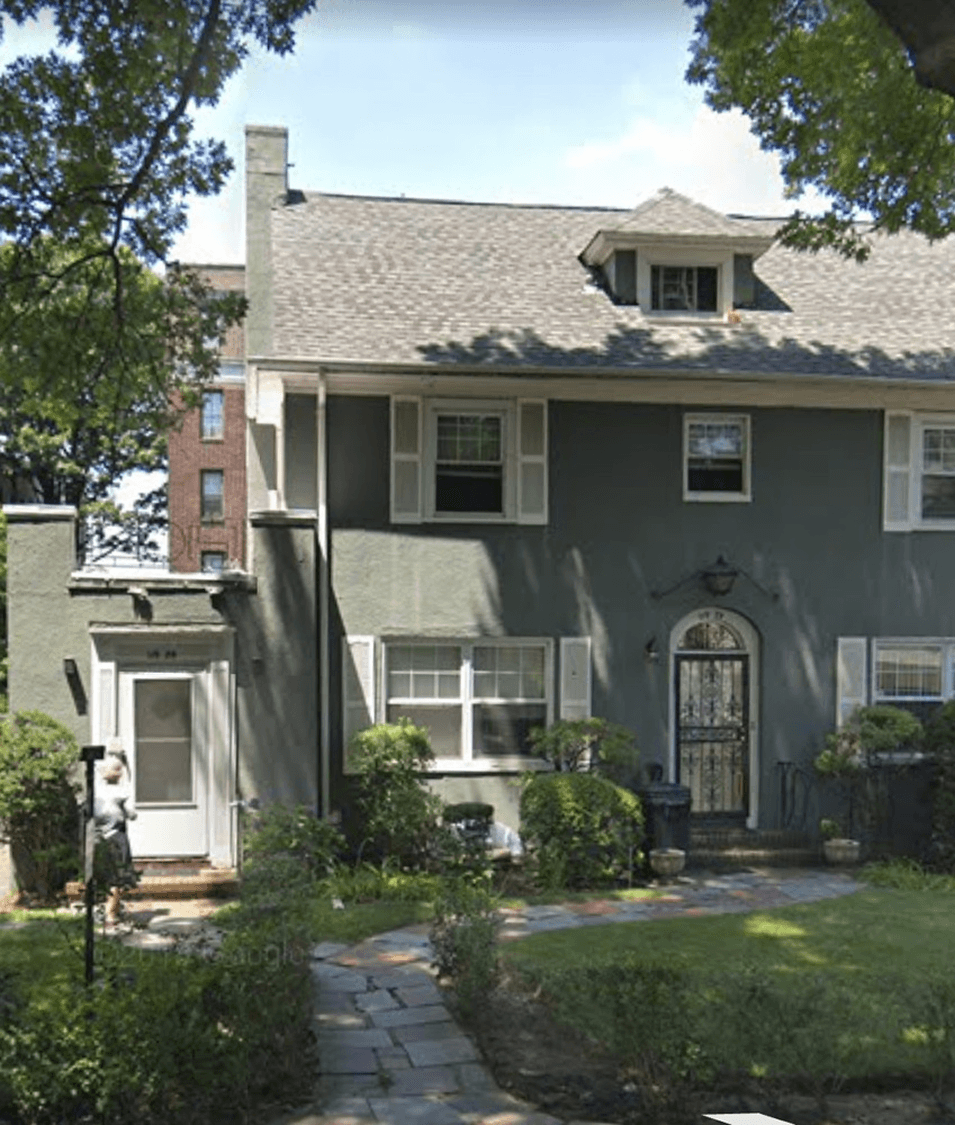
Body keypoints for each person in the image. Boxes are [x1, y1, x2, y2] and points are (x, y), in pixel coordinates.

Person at [93, 741, 139, 924]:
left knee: (104, 876)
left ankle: (108, 910)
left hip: (99, 837)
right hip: (116, 838)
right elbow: (132, 814)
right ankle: (111, 914)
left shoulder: (96, 792)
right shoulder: (120, 792)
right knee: (117, 878)